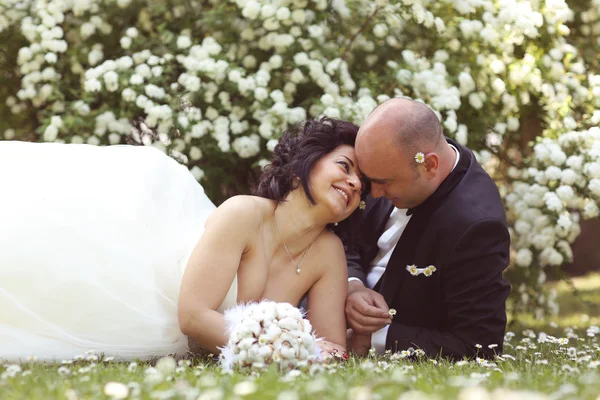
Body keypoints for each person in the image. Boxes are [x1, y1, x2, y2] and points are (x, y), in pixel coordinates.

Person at [0, 118, 364, 361]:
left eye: (361, 183)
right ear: (304, 167)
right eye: (344, 167)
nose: (354, 183)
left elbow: (331, 347)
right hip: (140, 291)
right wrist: (277, 348)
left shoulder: (329, 252)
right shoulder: (244, 214)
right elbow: (192, 316)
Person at [344, 98, 511, 360]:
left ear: (430, 165)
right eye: (369, 180)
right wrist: (352, 285)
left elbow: (479, 346)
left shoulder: (475, 227)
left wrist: (374, 337)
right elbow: (344, 236)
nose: (372, 193)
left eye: (383, 183)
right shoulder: (387, 162)